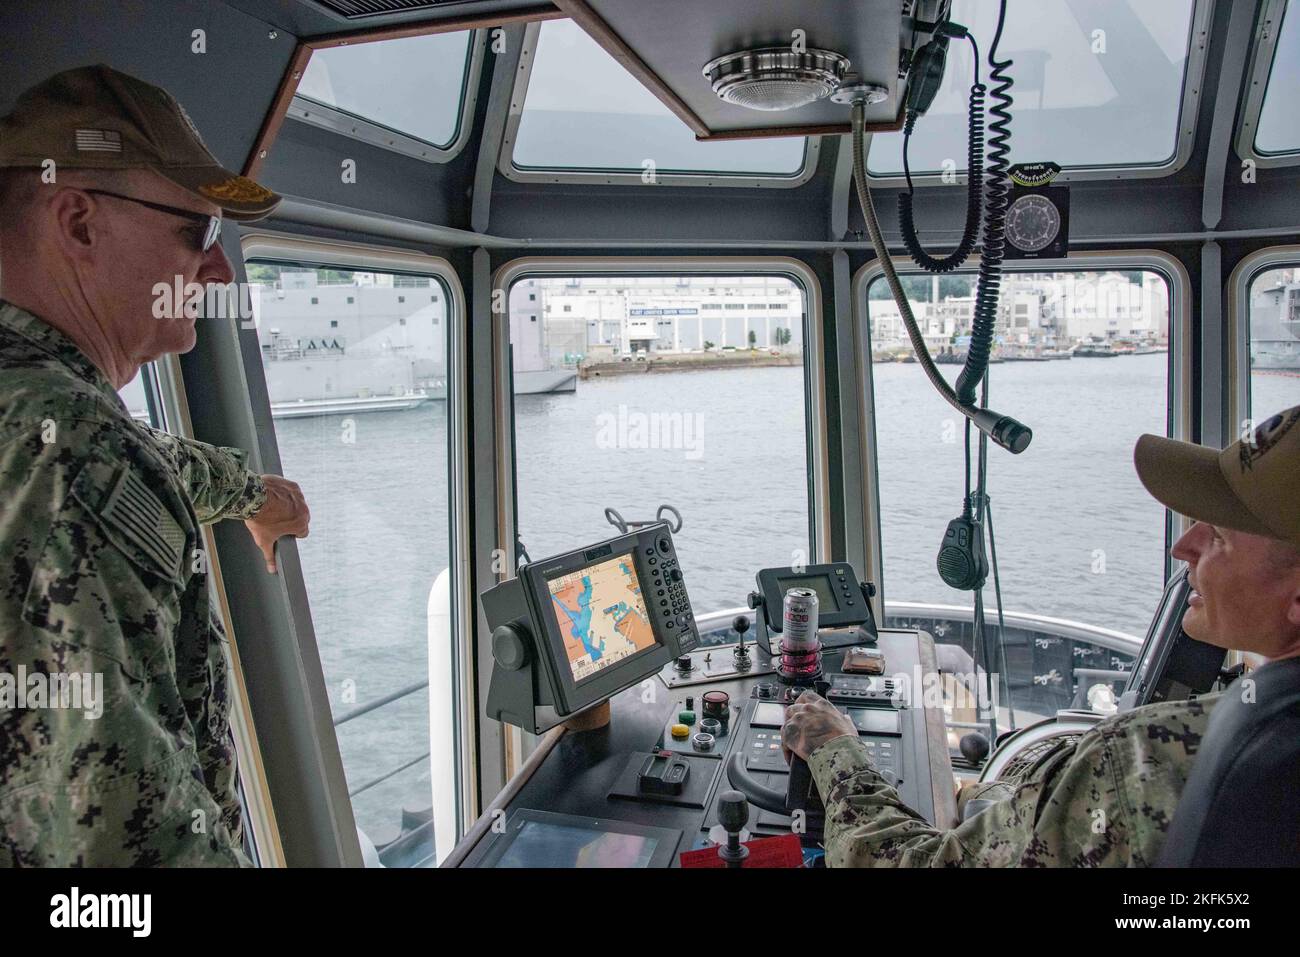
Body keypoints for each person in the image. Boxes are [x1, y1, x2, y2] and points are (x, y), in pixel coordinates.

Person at [0, 65, 310, 865]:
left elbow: (149, 464)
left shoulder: (35, 412)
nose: (219, 272)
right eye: (196, 234)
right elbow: (133, 851)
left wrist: (252, 490)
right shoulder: (80, 449)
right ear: (77, 222)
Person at [783, 404, 1300, 866]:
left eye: (1220, 535)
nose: (1182, 547)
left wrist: (834, 748)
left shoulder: (1141, 757)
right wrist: (1017, 788)